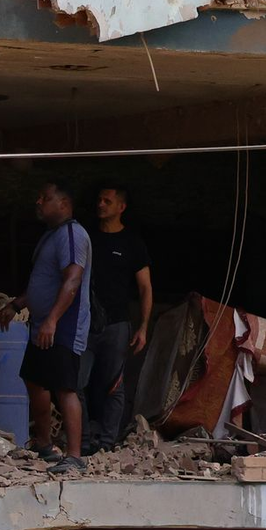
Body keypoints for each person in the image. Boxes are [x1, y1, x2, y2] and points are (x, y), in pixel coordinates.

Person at [0, 181, 91, 475]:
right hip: (42, 324)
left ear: (64, 204)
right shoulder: (51, 236)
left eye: (45, 198)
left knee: (65, 387)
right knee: (34, 379)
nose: (38, 202)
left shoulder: (73, 235)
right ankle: (45, 445)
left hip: (62, 325)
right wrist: (16, 304)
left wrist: (52, 319)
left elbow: (72, 280)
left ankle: (74, 456)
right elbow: (43, 281)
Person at [81, 184, 152, 453]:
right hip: (84, 323)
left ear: (121, 207)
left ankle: (108, 443)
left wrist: (143, 327)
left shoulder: (132, 243)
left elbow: (145, 288)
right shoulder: (86, 238)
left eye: (107, 201)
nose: (100, 204)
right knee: (76, 383)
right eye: (98, 199)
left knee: (113, 384)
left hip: (117, 323)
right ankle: (82, 441)